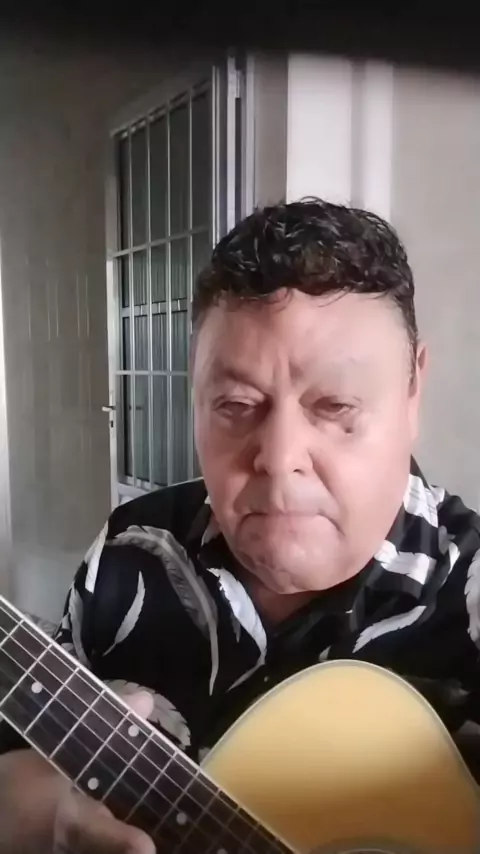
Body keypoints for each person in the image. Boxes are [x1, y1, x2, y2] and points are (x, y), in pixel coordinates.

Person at [2, 197, 480, 852]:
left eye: (336, 405)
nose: (279, 459)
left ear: (412, 388)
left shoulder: (469, 595)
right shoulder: (129, 553)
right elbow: (20, 762)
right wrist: (54, 820)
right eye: (235, 404)